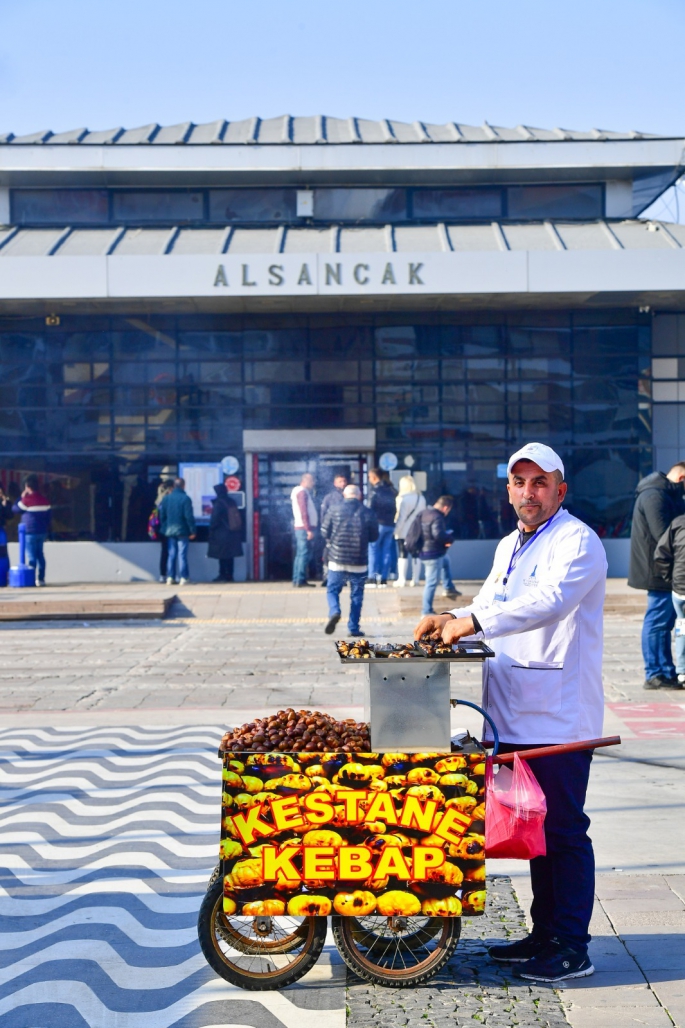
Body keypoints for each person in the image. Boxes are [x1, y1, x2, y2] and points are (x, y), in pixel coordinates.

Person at [414, 442, 607, 984]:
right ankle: (543, 933)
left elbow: (549, 601)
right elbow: (491, 603)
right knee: (535, 830)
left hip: (561, 715)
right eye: (520, 483)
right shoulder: (508, 544)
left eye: (540, 482)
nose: (529, 492)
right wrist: (452, 614)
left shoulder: (579, 541)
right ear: (508, 491)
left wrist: (475, 625)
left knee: (565, 830)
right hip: (512, 711)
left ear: (560, 490)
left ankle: (572, 946)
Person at [628, 462, 685, 689]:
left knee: (666, 623)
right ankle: (655, 673)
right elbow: (665, 537)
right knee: (658, 623)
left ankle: (666, 671)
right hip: (658, 570)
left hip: (665, 569)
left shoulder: (663, 494)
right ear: (682, 478)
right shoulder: (655, 496)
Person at [321, 483, 378, 636]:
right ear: (359, 496)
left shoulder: (334, 509)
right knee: (357, 595)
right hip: (359, 561)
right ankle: (353, 628)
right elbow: (374, 537)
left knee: (332, 589)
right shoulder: (367, 512)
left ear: (344, 495)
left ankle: (335, 611)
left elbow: (324, 531)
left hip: (337, 559)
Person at [653, 514, 685, 687]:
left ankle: (682, 672)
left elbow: (661, 555)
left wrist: (671, 579)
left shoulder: (677, 522)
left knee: (682, 628)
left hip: (680, 590)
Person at [413, 495, 454, 615]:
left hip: (425, 551)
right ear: (446, 508)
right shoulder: (437, 517)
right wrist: (449, 538)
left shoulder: (424, 513)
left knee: (446, 561)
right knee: (431, 582)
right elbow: (438, 535)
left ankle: (448, 587)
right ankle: (426, 611)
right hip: (433, 553)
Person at [13, 475, 52, 587]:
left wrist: (20, 497)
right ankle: (41, 578)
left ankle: (32, 579)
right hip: (42, 532)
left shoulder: (27, 500)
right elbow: (49, 517)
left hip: (30, 532)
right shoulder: (45, 500)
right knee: (40, 554)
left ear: (27, 487)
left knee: (31, 556)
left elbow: (15, 509)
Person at [159, 477, 196, 585]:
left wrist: (165, 527)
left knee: (171, 554)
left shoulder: (166, 499)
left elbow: (162, 516)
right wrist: (192, 530)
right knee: (182, 554)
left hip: (170, 531)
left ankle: (170, 577)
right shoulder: (186, 498)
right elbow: (189, 517)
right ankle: (184, 578)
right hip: (183, 531)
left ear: (174, 486)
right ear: (183, 485)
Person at [393, 475, 426, 587]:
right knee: (416, 554)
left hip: (404, 531)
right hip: (417, 531)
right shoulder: (421, 498)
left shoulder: (403, 499)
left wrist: (396, 530)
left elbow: (401, 518)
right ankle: (415, 579)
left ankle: (402, 579)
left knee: (403, 554)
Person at [367, 468, 397, 586]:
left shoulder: (374, 491)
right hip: (390, 524)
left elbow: (369, 509)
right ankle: (384, 578)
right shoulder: (391, 490)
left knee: (373, 550)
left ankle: (372, 578)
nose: (369, 480)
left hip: (377, 524)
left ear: (374, 477)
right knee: (386, 551)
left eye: (369, 477)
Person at [207, 483, 243, 582]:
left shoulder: (219, 503)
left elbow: (215, 520)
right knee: (230, 557)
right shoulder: (231, 501)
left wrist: (211, 530)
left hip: (221, 534)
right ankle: (230, 575)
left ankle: (222, 575)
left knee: (222, 556)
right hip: (232, 533)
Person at [320, 470, 349, 587]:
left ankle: (343, 578)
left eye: (344, 481)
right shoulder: (329, 498)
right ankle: (327, 577)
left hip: (347, 532)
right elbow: (323, 515)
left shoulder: (350, 497)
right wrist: (325, 531)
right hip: (332, 532)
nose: (343, 484)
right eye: (340, 481)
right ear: (335, 483)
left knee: (345, 555)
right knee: (329, 554)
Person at [291, 472, 318, 588]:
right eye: (311, 481)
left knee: (300, 554)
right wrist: (308, 529)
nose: (313, 483)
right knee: (304, 554)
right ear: (305, 481)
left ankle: (297, 578)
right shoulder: (302, 492)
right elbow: (304, 511)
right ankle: (300, 579)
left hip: (300, 527)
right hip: (304, 528)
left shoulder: (298, 491)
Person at [149, 479, 173, 583]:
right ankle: (170, 574)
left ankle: (163, 574)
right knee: (171, 552)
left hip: (160, 529)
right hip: (167, 528)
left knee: (164, 552)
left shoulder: (158, 499)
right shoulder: (167, 499)